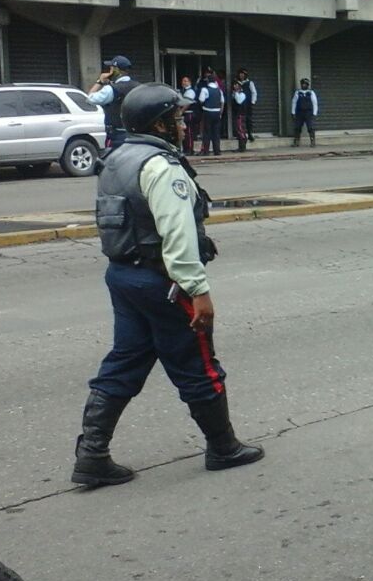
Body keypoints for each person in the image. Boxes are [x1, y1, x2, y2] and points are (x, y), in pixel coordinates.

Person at [73, 83, 263, 488]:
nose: (182, 124)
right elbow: (178, 236)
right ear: (158, 123)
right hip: (163, 281)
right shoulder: (160, 166)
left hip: (124, 276)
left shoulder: (117, 157)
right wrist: (198, 290)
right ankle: (223, 447)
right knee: (198, 364)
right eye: (176, 118)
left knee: (125, 360)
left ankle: (92, 454)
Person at [86, 55, 137, 148]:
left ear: (115, 70)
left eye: (111, 68)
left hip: (117, 136)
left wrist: (100, 82)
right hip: (136, 136)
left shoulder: (111, 89)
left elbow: (90, 98)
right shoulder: (138, 86)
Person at [196, 67, 224, 156]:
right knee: (216, 132)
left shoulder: (205, 89)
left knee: (207, 132)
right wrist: (220, 113)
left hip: (207, 112)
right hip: (217, 113)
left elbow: (201, 100)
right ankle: (217, 151)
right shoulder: (219, 90)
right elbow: (222, 102)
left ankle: (206, 151)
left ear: (208, 81)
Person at [291, 78, 318, 147]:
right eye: (302, 84)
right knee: (297, 127)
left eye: (305, 84)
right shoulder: (297, 92)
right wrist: (293, 112)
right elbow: (294, 102)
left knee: (310, 127)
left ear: (307, 85)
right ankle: (296, 141)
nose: (304, 85)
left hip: (308, 113)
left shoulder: (311, 93)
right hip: (299, 113)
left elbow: (315, 103)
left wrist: (314, 113)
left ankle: (312, 141)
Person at [235, 68, 258, 141]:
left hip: (247, 104)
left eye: (243, 74)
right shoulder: (237, 82)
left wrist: (253, 102)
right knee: (240, 120)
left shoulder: (249, 83)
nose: (241, 75)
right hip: (239, 104)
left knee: (248, 119)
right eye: (240, 74)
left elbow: (254, 92)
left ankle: (249, 133)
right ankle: (240, 134)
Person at [178, 75, 198, 155]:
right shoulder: (182, 91)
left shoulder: (190, 91)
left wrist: (181, 111)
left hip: (189, 114)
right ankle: (186, 149)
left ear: (189, 82)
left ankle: (189, 149)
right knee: (184, 132)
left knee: (188, 132)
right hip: (185, 114)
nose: (184, 83)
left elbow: (187, 103)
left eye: (186, 81)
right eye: (183, 81)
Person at [230, 80, 249, 153]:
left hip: (241, 115)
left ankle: (242, 147)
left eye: (236, 85)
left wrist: (235, 93)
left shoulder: (242, 94)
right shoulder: (235, 94)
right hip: (237, 114)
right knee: (238, 130)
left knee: (240, 130)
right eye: (234, 85)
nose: (235, 86)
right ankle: (241, 146)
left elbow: (239, 101)